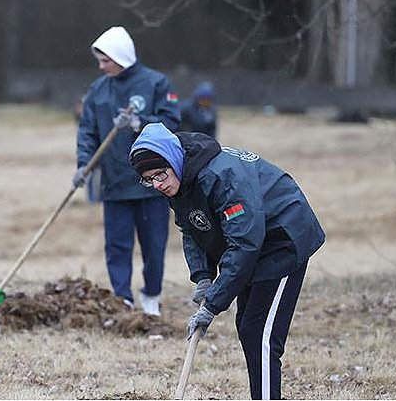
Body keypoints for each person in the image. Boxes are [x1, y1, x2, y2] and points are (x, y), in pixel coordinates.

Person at [129, 123, 325, 400]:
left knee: (261, 335)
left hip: (282, 238)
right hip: (253, 242)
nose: (158, 184)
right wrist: (203, 277)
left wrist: (213, 303)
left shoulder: (221, 177)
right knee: (247, 326)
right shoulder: (180, 181)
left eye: (160, 174)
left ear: (174, 160)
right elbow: (192, 228)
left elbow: (245, 243)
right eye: (149, 179)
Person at [74, 26, 182, 316]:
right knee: (117, 246)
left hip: (152, 184)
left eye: (105, 60)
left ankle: (151, 296)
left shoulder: (157, 83)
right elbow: (87, 132)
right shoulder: (98, 90)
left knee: (153, 245)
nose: (100, 66)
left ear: (121, 56)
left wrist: (139, 122)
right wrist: (84, 164)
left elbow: (172, 123)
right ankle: (122, 298)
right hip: (114, 183)